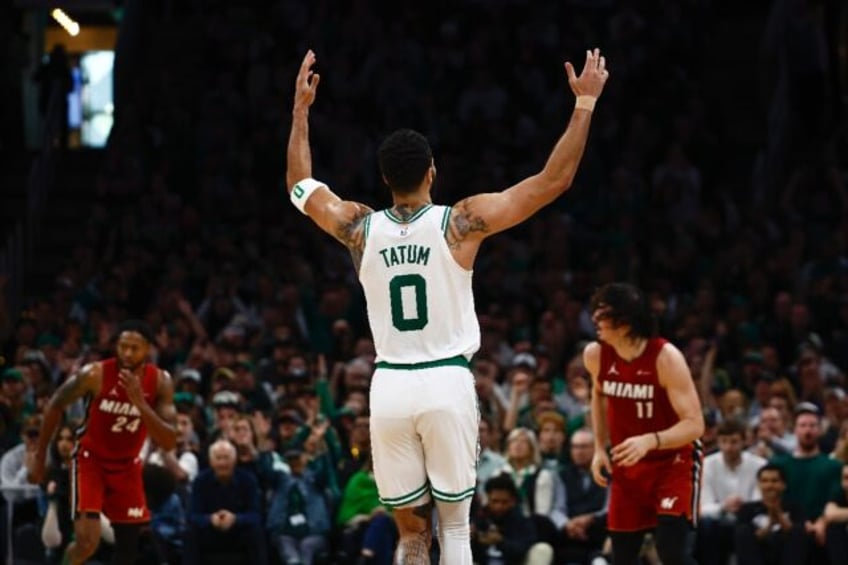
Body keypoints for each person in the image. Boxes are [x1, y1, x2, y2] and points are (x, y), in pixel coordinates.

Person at [285, 48, 609, 564]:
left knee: (411, 534)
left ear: (384, 178)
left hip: (389, 385)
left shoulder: (358, 228)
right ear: (432, 172)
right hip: (444, 380)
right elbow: (553, 182)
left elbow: (300, 187)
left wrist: (301, 112)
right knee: (455, 528)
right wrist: (585, 103)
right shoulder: (459, 223)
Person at [28, 319, 177, 565]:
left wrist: (140, 403)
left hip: (128, 465)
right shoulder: (94, 374)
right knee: (87, 543)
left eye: (135, 348)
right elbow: (55, 403)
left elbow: (169, 441)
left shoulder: (161, 382)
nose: (127, 353)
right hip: (90, 461)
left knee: (129, 549)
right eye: (123, 346)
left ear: (148, 349)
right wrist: (40, 455)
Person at [583, 282, 705, 565]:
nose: (594, 320)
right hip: (628, 464)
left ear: (625, 324)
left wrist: (650, 439)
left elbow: (695, 425)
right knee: (622, 555)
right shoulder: (595, 355)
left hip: (673, 461)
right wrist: (599, 448)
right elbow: (598, 398)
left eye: (602, 315)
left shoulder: (666, 358)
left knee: (671, 552)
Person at [698, 418, 766, 565]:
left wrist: (743, 507)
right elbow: (703, 508)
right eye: (724, 441)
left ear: (744, 442)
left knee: (747, 528)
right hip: (718, 521)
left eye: (734, 442)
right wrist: (724, 506)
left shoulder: (759, 465)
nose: (728, 447)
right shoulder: (707, 465)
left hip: (748, 521)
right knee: (707, 524)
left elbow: (759, 502)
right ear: (718, 442)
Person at [734, 464, 808, 565]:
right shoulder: (747, 509)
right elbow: (747, 539)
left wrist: (779, 514)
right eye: (764, 481)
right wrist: (769, 525)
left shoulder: (795, 508)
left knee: (799, 532)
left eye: (774, 481)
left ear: (783, 485)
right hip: (758, 555)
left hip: (785, 553)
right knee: (743, 532)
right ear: (759, 485)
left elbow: (797, 534)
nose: (769, 485)